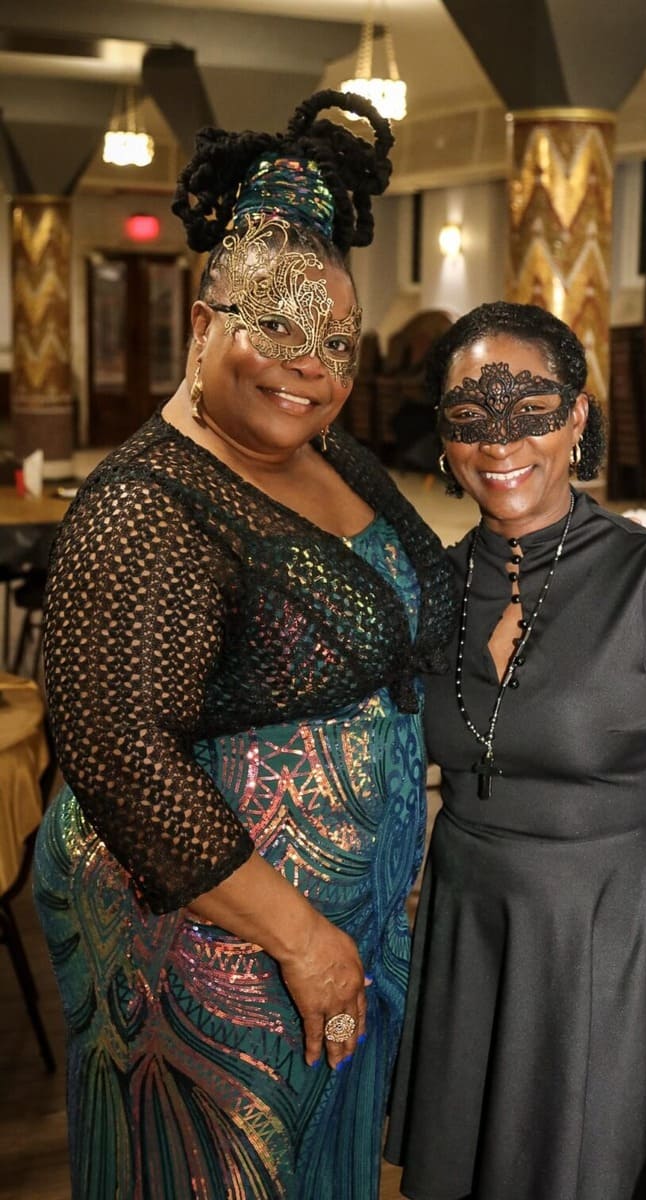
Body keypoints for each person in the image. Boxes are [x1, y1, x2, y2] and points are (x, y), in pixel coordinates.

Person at [33, 90, 455, 1200]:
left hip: (341, 914)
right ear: (201, 322)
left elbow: (409, 607)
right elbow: (122, 756)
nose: (308, 366)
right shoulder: (146, 506)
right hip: (215, 937)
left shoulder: (335, 456)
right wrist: (302, 939)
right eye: (273, 324)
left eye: (336, 343)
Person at [385, 301, 646, 1200]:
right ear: (443, 439)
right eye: (471, 417)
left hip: (609, 950)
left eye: (530, 410)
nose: (501, 443)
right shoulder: (433, 586)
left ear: (577, 416)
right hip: (468, 945)